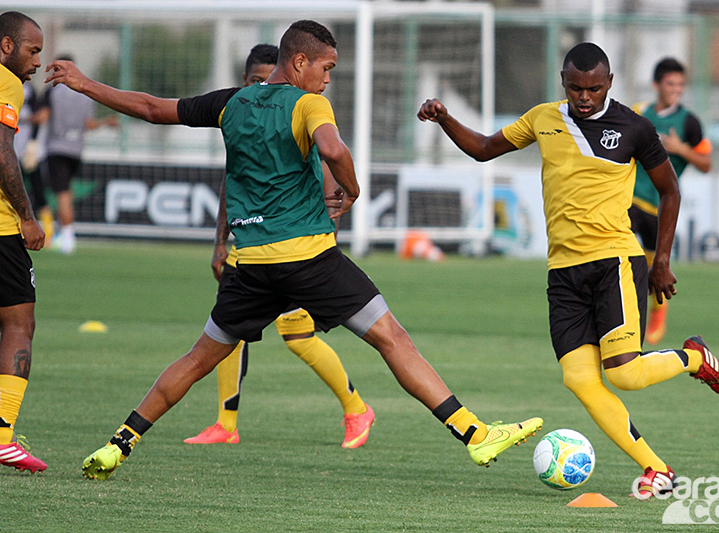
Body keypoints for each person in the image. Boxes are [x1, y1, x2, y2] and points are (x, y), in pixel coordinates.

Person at [48, 20, 542, 480]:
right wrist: (351, 189)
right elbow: (333, 149)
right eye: (327, 68)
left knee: (199, 358)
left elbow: (154, 109)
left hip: (252, 265)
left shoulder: (233, 102)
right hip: (307, 259)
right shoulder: (308, 105)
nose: (328, 79)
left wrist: (84, 82)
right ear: (300, 62)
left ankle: (119, 443)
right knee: (392, 338)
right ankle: (475, 434)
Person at [418, 42, 719, 498]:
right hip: (563, 271)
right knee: (579, 379)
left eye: (594, 88)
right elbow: (484, 149)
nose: (585, 96)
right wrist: (445, 118)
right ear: (563, 81)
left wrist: (660, 261)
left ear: (610, 84)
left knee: (624, 374)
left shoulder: (634, 127)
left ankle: (695, 358)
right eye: (576, 87)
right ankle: (658, 470)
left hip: (614, 262)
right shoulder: (544, 118)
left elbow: (671, 191)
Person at [45, 44, 376, 449]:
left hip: (295, 250)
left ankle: (355, 407)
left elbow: (328, 176)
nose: (263, 89)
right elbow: (227, 177)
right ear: (246, 81)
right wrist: (221, 241)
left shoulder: (302, 113)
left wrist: (326, 243)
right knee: (226, 333)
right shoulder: (238, 112)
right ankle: (226, 421)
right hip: (252, 246)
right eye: (256, 81)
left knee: (296, 334)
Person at [630, 58, 712, 345]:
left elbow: (706, 163)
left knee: (656, 271)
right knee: (623, 259)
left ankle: (658, 314)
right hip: (630, 200)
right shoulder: (640, 113)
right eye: (670, 84)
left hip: (660, 205)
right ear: (656, 85)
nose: (676, 89)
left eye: (680, 84)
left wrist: (680, 149)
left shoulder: (689, 122)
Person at [0, 10, 47, 473]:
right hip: (0, 229)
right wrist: (27, 216)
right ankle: (3, 436)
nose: (37, 61)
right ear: (6, 47)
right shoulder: (7, 82)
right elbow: (1, 151)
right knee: (18, 324)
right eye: (33, 50)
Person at [35, 54, 117, 254]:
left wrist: (24, 118)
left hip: (57, 148)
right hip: (76, 150)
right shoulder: (83, 93)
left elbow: (43, 116)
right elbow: (88, 124)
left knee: (62, 194)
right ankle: (66, 234)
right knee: (66, 193)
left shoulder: (52, 91)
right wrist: (106, 122)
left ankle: (67, 238)